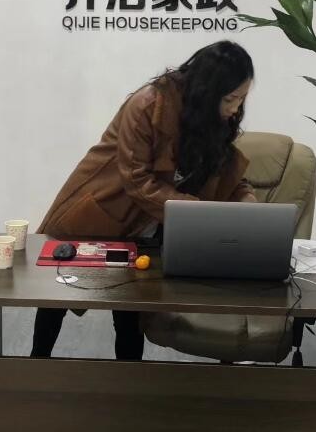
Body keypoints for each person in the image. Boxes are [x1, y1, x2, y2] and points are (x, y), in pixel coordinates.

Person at [31, 40, 257, 360]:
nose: (235, 108)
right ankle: (35, 363)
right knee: (59, 292)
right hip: (101, 210)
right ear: (207, 91)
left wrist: (246, 201)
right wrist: (194, 212)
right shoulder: (148, 104)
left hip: (150, 223)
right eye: (230, 98)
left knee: (129, 309)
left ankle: (129, 379)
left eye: (242, 98)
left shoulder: (214, 118)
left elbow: (226, 169)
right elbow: (136, 179)